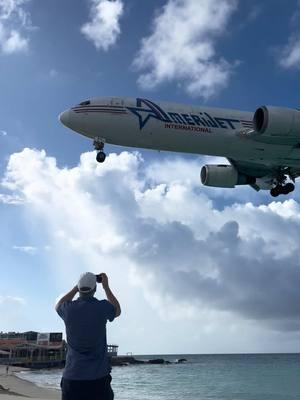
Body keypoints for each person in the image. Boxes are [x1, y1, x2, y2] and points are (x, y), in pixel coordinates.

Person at [55, 272, 121, 400]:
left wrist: (76, 287)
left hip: (72, 378)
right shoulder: (102, 307)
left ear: (79, 288)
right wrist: (106, 287)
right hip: (98, 378)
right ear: (95, 289)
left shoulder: (68, 309)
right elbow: (117, 310)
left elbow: (58, 305)